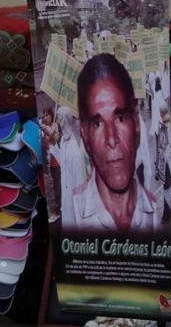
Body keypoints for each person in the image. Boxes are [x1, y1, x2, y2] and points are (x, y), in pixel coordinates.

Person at [62, 54, 164, 234]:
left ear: (136, 125)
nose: (111, 139)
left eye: (120, 118)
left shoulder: (153, 213)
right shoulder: (75, 212)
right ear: (85, 135)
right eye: (97, 123)